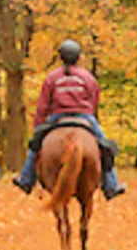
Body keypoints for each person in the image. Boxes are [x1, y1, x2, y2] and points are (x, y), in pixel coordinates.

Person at [11, 39, 126, 200]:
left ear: (61, 57)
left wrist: (38, 127)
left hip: (58, 116)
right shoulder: (87, 77)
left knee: (34, 146)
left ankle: (26, 179)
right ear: (78, 57)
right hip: (85, 117)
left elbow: (43, 105)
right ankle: (112, 185)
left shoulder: (52, 77)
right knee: (105, 146)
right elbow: (94, 99)